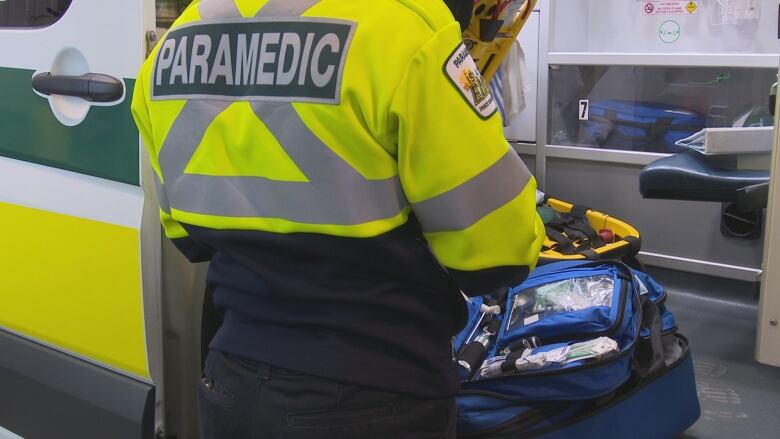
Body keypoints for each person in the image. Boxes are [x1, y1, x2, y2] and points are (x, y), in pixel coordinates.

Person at [131, 0, 544, 437]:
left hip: (230, 385)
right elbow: (499, 251)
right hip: (374, 392)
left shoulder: (174, 43)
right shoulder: (404, 27)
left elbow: (187, 235)